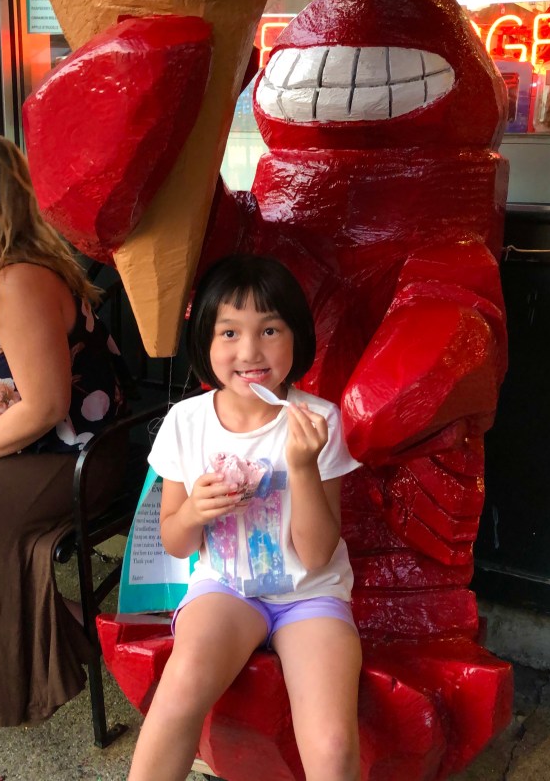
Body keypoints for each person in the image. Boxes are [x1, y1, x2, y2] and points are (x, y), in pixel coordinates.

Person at [128, 254, 362, 781]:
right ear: (205, 343)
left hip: (310, 596)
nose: (250, 351)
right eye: (229, 332)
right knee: (177, 695)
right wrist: (194, 510)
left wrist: (301, 466)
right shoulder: (186, 422)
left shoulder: (318, 420)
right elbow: (175, 542)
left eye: (270, 330)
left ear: (297, 337)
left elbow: (317, 554)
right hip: (225, 588)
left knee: (331, 745)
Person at [0, 134, 124, 727]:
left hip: (78, 456)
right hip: (45, 449)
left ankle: (69, 638)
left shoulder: (17, 281)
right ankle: (60, 629)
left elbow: (45, 407)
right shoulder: (12, 270)